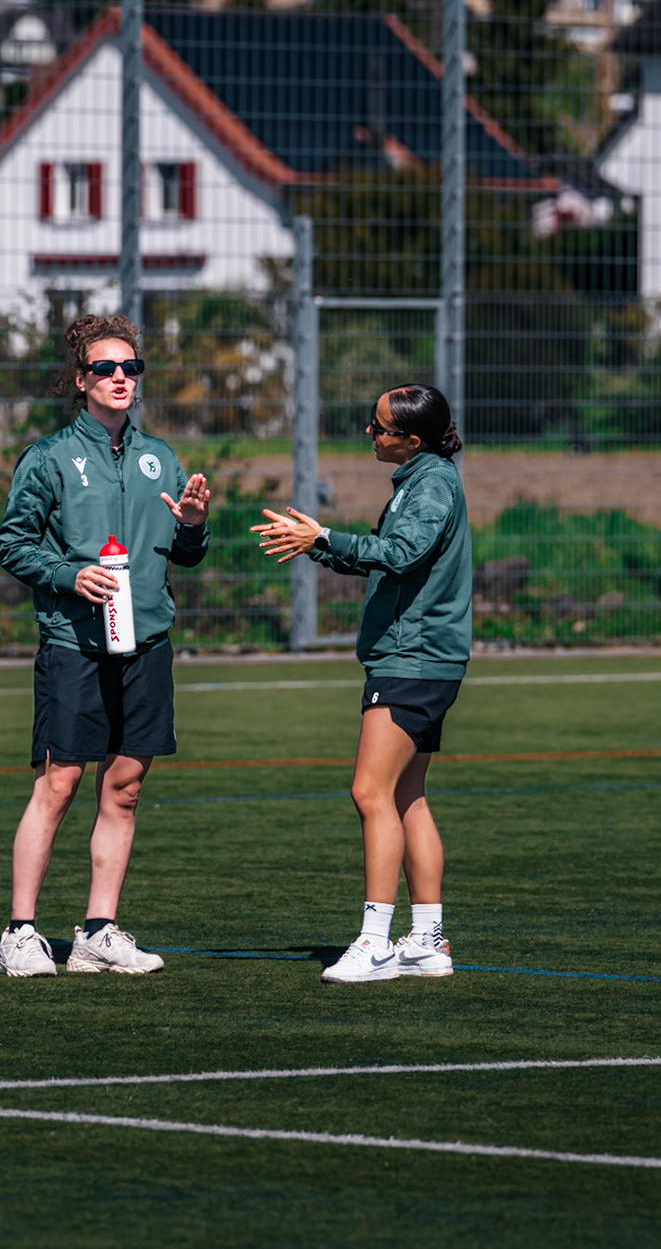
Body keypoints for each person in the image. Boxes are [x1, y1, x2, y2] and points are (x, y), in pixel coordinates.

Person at [0, 314, 212, 978]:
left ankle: (96, 932)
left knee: (125, 788)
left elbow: (185, 554)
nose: (122, 378)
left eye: (132, 368)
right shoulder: (49, 458)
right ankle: (20, 933)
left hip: (146, 640)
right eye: (107, 369)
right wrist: (69, 574)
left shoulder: (162, 458)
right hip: (74, 643)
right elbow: (14, 544)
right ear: (82, 380)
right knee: (59, 784)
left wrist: (197, 527)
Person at [252, 383, 471, 984]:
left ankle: (375, 943)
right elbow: (388, 556)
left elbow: (400, 553)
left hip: (412, 661)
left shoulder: (431, 485)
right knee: (408, 797)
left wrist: (324, 538)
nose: (368, 434)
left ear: (413, 438)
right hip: (422, 659)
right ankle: (427, 941)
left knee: (369, 793)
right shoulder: (425, 478)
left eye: (377, 427)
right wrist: (317, 544)